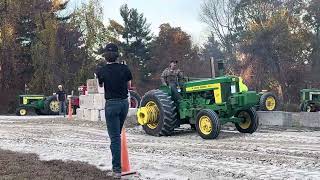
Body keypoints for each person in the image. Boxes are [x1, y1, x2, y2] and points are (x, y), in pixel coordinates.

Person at [97, 43, 132, 179]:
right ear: (117, 55)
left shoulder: (102, 70)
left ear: (105, 56)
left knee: (115, 138)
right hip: (124, 104)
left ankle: (116, 169)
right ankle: (116, 162)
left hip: (111, 104)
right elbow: (129, 85)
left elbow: (100, 85)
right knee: (116, 134)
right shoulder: (125, 68)